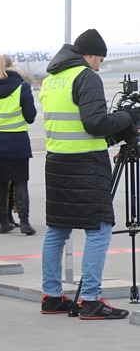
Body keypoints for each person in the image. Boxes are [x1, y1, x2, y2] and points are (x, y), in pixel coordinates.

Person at [38, 29, 138, 319]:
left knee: (57, 229)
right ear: (91, 55)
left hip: (57, 162)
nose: (100, 65)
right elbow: (94, 122)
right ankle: (91, 300)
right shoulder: (86, 76)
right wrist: (129, 116)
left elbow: (76, 123)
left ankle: (52, 296)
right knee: (100, 228)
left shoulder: (52, 79)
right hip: (86, 165)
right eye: (100, 59)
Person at [0, 54, 37, 235]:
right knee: (21, 182)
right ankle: (25, 222)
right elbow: (30, 116)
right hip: (17, 142)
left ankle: (4, 223)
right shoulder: (22, 87)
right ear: (12, 66)